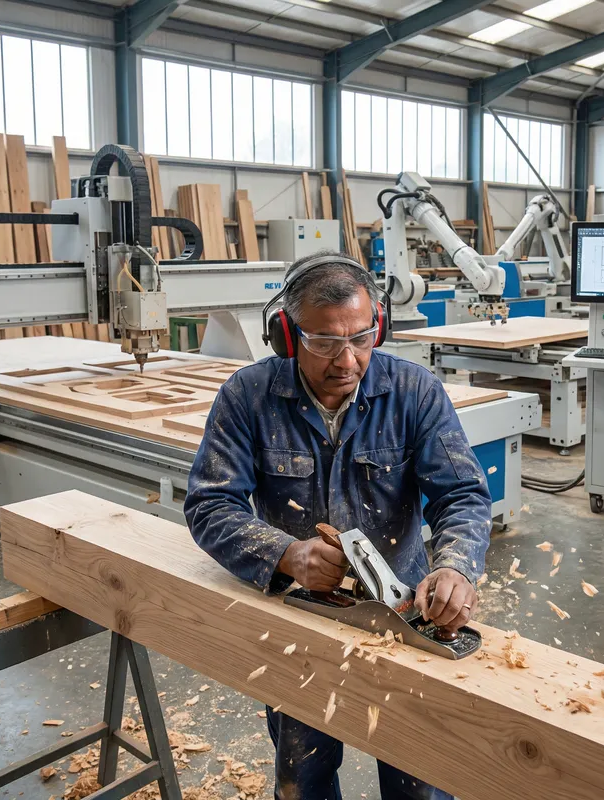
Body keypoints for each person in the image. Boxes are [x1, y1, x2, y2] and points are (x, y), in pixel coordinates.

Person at [184, 250, 492, 800]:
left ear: (380, 325)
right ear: (286, 333)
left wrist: (456, 567)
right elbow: (209, 504)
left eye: (361, 338)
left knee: (421, 782)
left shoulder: (415, 392)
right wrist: (286, 554)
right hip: (298, 618)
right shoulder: (247, 397)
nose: (347, 360)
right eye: (324, 342)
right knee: (303, 778)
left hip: (402, 612)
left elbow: (463, 494)